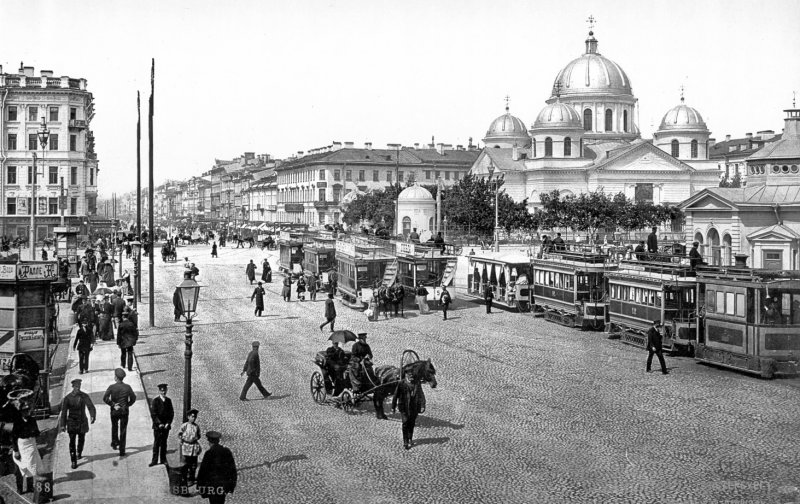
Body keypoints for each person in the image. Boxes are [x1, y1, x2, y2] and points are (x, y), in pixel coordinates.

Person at [60, 378, 96, 469]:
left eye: (79, 386)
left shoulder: (84, 396)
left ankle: (79, 452)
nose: (78, 388)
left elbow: (90, 406)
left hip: (82, 422)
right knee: (72, 442)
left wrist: (93, 415)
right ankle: (73, 461)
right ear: (73, 387)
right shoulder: (67, 398)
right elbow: (64, 412)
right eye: (76, 386)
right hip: (72, 422)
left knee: (81, 439)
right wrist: (62, 425)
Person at [102, 367, 137, 456]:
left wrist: (113, 404)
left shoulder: (112, 387)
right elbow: (133, 398)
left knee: (114, 426)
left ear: (116, 378)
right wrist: (127, 404)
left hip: (115, 410)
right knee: (123, 430)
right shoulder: (127, 387)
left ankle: (114, 443)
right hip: (124, 411)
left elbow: (105, 398)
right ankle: (122, 450)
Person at [196, 431, 237, 504]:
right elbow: (232, 470)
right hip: (224, 485)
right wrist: (231, 486)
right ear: (218, 441)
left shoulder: (209, 453)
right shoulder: (226, 451)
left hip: (212, 485)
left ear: (209, 442)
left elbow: (203, 471)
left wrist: (200, 486)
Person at [12, 402, 43, 492]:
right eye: (24, 411)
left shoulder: (32, 420)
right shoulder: (17, 422)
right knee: (21, 466)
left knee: (31, 466)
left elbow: (37, 432)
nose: (27, 413)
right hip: (22, 445)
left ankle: (30, 487)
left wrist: (34, 432)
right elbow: (13, 437)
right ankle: (19, 488)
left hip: (31, 444)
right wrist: (16, 451)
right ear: (21, 412)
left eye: (27, 411)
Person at [391, 372, 422, 450]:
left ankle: (410, 438)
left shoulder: (417, 384)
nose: (411, 380)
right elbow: (395, 395)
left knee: (411, 423)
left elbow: (421, 395)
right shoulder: (401, 384)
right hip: (404, 407)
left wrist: (422, 405)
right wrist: (393, 407)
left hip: (414, 407)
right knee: (405, 423)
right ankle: (405, 442)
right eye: (410, 378)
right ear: (406, 377)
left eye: (412, 378)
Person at [149, 383, 174, 467]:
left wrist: (168, 423)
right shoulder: (155, 401)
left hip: (166, 427)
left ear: (166, 390)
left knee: (164, 443)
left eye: (164, 390)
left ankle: (163, 459)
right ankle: (154, 460)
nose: (163, 392)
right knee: (156, 443)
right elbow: (153, 414)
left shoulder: (168, 401)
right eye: (162, 391)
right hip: (158, 426)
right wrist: (159, 423)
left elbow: (171, 413)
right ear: (159, 391)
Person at [178, 409, 202, 486]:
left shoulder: (196, 426)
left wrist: (195, 439)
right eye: (192, 416)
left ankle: (192, 478)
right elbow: (179, 434)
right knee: (186, 464)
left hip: (194, 447)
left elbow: (198, 435)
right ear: (188, 417)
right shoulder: (184, 425)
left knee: (194, 464)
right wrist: (182, 439)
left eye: (195, 417)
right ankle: (186, 478)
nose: (194, 418)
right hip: (186, 447)